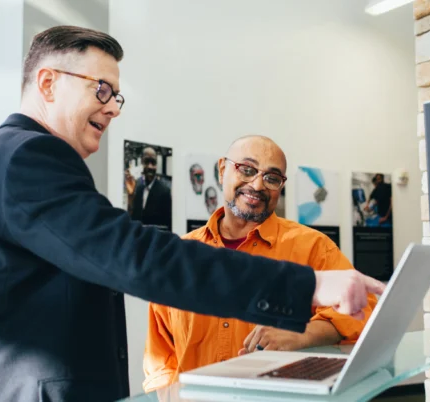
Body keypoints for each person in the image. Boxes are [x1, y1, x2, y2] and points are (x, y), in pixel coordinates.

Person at [0, 25, 385, 402]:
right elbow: (135, 257)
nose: (112, 106)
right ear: (48, 83)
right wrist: (311, 285)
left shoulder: (15, 159)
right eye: (101, 89)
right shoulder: (29, 158)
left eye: (117, 96)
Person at [142, 136, 378, 392]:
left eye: (272, 178)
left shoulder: (313, 247)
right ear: (223, 170)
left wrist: (302, 334)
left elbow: (364, 310)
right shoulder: (181, 255)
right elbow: (160, 356)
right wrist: (167, 394)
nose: (257, 185)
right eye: (247, 169)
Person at [125, 147, 172, 230]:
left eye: (153, 163)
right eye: (146, 162)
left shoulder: (165, 192)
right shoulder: (138, 188)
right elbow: (132, 219)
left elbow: (168, 227)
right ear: (142, 163)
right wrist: (130, 196)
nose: (150, 166)